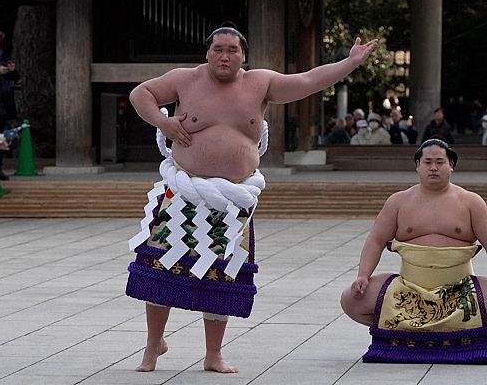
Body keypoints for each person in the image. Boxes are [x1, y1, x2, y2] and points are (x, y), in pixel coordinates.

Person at [125, 24, 376, 373]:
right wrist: (164, 124)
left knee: (223, 277)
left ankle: (213, 354)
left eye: (232, 50)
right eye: (218, 49)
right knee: (160, 268)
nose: (224, 56)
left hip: (232, 202)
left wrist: (348, 63)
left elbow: (308, 81)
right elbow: (141, 94)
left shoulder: (261, 83)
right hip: (183, 192)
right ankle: (153, 346)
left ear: (243, 55)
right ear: (207, 53)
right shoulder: (185, 79)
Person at [340, 139, 487, 363]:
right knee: (351, 299)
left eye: (440, 162)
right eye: (427, 162)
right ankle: (409, 330)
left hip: (461, 291)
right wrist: (363, 275)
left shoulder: (471, 202)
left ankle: (435, 331)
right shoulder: (399, 202)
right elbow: (376, 240)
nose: (434, 167)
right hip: (408, 292)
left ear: (451, 165)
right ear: (417, 165)